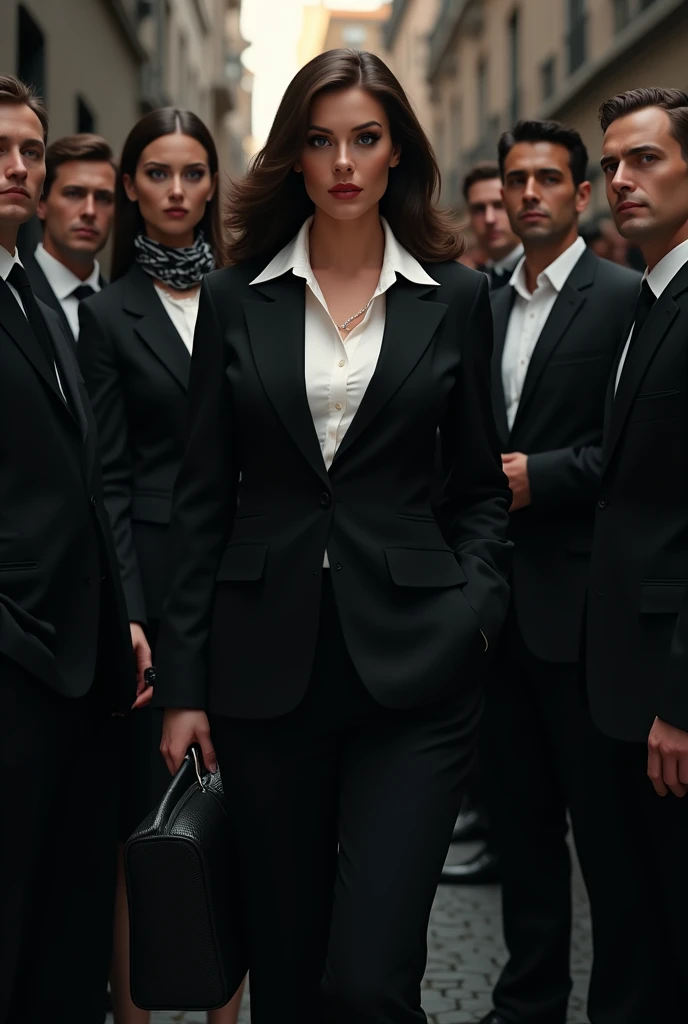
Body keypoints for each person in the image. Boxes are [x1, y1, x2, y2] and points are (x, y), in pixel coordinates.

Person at [153, 48, 512, 1024]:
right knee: (288, 964)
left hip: (417, 668)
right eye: (319, 141)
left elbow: (481, 491)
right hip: (266, 671)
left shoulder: (458, 298)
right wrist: (184, 691)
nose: (343, 161)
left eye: (363, 138)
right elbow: (198, 505)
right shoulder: (235, 298)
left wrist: (474, 617)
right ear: (294, 158)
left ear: (397, 150)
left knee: (369, 974)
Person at [461, 120, 640, 1024]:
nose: (529, 194)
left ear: (581, 194)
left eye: (547, 180)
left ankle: (621, 1002)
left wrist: (550, 476)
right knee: (520, 829)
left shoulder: (626, 300)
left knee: (606, 841)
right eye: (515, 178)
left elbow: (640, 451)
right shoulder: (481, 304)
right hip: (495, 614)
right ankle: (527, 1000)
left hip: (583, 612)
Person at [78, 109, 242, 1024]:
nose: (176, 190)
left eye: (191, 173)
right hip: (154, 597)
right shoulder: (106, 315)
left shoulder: (255, 292)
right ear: (132, 189)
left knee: (240, 813)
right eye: (156, 174)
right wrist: (131, 614)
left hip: (249, 585)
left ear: (213, 184)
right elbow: (105, 478)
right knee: (145, 825)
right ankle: (134, 1017)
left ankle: (227, 1015)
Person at [0, 75, 143, 1024]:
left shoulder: (37, 297)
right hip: (13, 660)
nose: (17, 168)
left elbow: (87, 479)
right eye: (0, 150)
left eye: (29, 152)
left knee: (67, 933)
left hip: (81, 669)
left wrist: (122, 614)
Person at [584, 86, 688, 1023]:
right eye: (611, 163)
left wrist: (681, 704)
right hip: (622, 680)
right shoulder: (648, 296)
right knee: (635, 929)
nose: (620, 179)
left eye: (645, 158)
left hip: (671, 695)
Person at [440, 159, 523, 884]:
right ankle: (491, 824)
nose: (495, 217)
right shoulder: (477, 297)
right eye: (482, 207)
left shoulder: (618, 296)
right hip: (480, 567)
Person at [22, 133, 115, 341]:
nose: (90, 211)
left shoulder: (123, 306)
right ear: (41, 203)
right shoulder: (10, 293)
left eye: (103, 198)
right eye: (74, 194)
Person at [463, 161, 523, 289]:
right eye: (479, 209)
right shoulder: (472, 283)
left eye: (499, 205)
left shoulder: (543, 272)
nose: (489, 219)